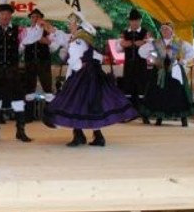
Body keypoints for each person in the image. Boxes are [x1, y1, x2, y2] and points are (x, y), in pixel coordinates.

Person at [43, 12, 138, 147]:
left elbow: (74, 59)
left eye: (70, 23)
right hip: (91, 74)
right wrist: (53, 30)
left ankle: (80, 136)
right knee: (90, 105)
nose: (69, 26)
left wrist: (76, 66)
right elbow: (93, 54)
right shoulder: (84, 36)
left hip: (81, 75)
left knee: (76, 104)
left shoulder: (77, 39)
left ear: (77, 24)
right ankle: (93, 136)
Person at [0, 0, 32, 143]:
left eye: (7, 14)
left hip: (13, 71)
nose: (4, 16)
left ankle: (20, 131)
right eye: (2, 14)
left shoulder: (19, 30)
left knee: (18, 100)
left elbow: (33, 36)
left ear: (11, 15)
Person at [138, 22, 194, 126]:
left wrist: (184, 60)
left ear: (172, 31)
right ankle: (159, 117)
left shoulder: (179, 42)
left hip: (175, 69)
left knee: (178, 93)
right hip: (160, 70)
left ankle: (183, 118)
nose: (164, 31)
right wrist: (152, 58)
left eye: (166, 29)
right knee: (158, 93)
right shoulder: (156, 42)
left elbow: (191, 51)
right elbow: (141, 51)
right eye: (162, 29)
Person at [22, 8, 58, 122]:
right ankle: (28, 115)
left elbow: (54, 47)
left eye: (37, 17)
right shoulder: (26, 31)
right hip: (30, 62)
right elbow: (21, 46)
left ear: (41, 19)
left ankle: (49, 116)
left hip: (43, 62)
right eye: (33, 17)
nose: (35, 19)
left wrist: (47, 42)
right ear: (30, 19)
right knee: (29, 88)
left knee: (47, 88)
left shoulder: (47, 31)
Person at [117, 8, 152, 116]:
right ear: (129, 21)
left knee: (141, 87)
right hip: (128, 65)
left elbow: (151, 47)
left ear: (140, 21)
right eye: (132, 21)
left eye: (137, 20)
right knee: (128, 86)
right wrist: (123, 44)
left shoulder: (145, 33)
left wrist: (144, 43)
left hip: (141, 65)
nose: (135, 23)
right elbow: (118, 48)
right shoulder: (125, 33)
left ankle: (143, 113)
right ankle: (128, 112)